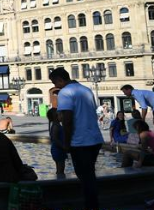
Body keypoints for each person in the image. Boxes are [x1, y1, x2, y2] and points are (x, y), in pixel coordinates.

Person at [50, 67, 103, 210]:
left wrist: (66, 143)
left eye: (55, 82)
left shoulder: (65, 92)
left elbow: (67, 121)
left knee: (85, 177)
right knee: (90, 174)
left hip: (80, 141)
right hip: (95, 139)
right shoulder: (86, 90)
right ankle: (93, 203)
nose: (55, 86)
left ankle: (91, 206)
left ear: (61, 79)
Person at [47, 108, 67, 177]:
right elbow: (55, 139)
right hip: (58, 150)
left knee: (59, 168)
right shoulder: (56, 126)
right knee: (61, 168)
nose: (62, 116)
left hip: (56, 150)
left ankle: (58, 179)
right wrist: (63, 146)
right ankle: (60, 182)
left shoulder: (57, 125)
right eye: (60, 114)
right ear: (56, 117)